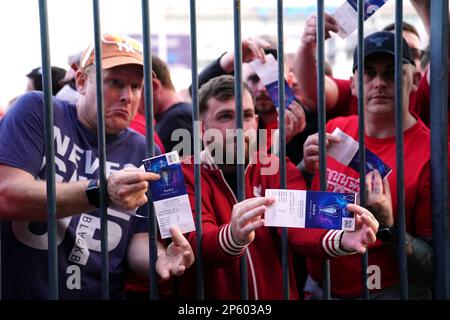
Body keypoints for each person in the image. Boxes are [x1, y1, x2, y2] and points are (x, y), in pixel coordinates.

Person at [0, 33, 194, 299]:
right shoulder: (38, 110)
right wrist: (101, 191)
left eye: (136, 87)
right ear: (81, 81)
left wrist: (159, 260)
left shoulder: (147, 150)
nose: (128, 96)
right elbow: (7, 195)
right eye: (115, 82)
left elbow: (137, 239)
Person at [177, 75, 379, 300]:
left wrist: (342, 238)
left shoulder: (277, 167)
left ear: (255, 121)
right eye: (225, 117)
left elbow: (300, 227)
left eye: (245, 116)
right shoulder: (182, 174)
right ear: (202, 128)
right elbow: (194, 243)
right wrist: (233, 236)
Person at [301, 31, 434, 299]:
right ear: (352, 84)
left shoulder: (433, 155)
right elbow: (305, 212)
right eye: (369, 73)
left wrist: (387, 227)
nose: (379, 83)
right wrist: (304, 167)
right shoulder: (334, 131)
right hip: (318, 287)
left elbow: (433, 264)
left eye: (392, 73)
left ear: (416, 79)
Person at [195, 37, 315, 166]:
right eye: (254, 79)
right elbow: (199, 93)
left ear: (290, 80)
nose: (262, 88)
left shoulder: (312, 123)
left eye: (273, 80)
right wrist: (230, 59)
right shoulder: (238, 122)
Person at [130, 55, 193, 157]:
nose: (130, 98)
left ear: (153, 87)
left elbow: (186, 170)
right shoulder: (179, 115)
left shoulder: (177, 119)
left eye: (135, 87)